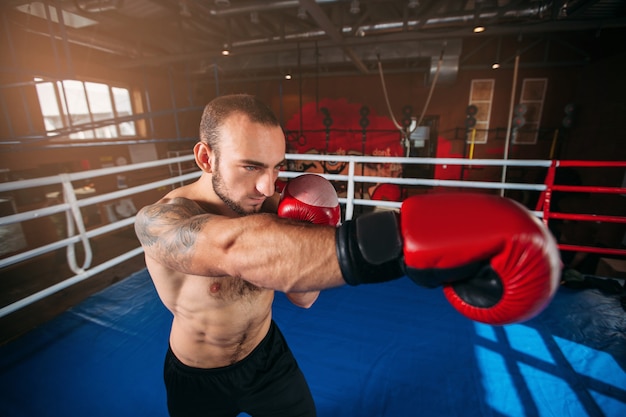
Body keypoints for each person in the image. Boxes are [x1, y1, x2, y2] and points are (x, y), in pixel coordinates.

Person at [135, 94, 561, 417]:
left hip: (268, 357)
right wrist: (403, 245)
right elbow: (231, 248)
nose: (268, 186)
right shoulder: (160, 222)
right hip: (199, 375)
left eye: (276, 166)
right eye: (250, 167)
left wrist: (310, 223)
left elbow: (303, 297)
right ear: (206, 157)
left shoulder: (272, 203)